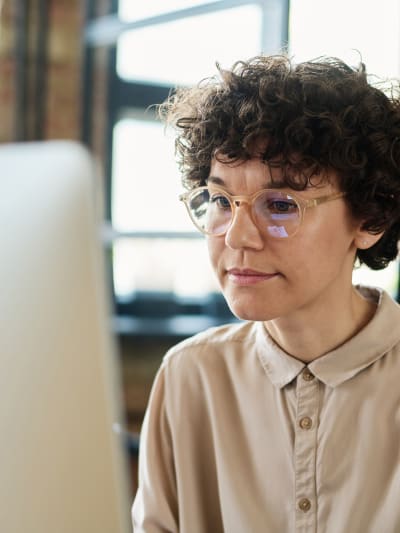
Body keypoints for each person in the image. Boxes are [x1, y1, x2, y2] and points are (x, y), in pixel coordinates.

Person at [132, 55, 400, 532]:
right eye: (220, 201)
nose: (237, 237)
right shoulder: (191, 375)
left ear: (371, 218)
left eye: (280, 204)